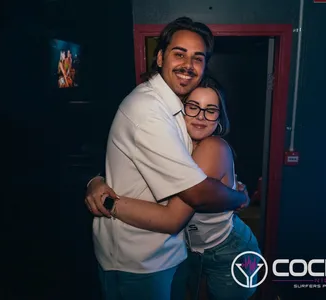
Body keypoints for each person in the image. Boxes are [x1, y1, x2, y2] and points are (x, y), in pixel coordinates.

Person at [85, 17, 250, 300]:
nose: (188, 65)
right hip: (138, 262)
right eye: (179, 54)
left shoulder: (174, 112)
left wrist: (101, 186)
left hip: (176, 253)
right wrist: (239, 198)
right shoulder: (152, 111)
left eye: (197, 58)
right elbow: (191, 198)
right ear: (160, 57)